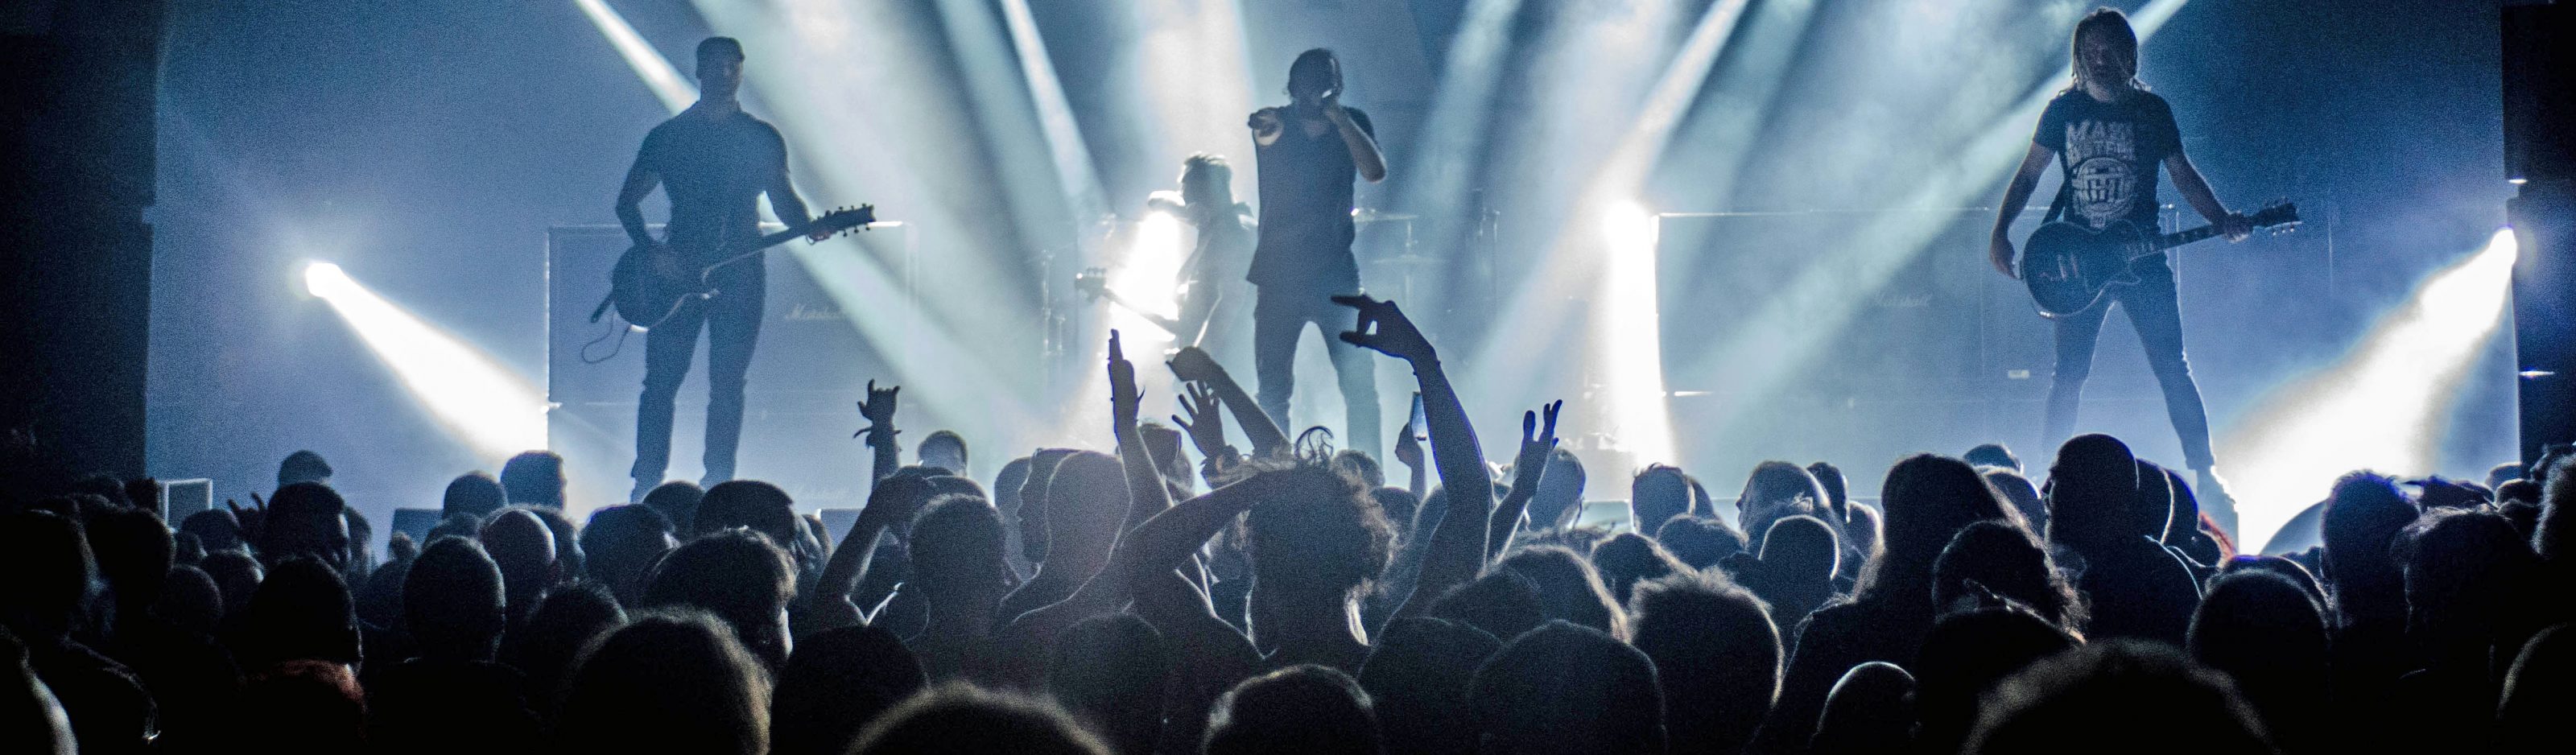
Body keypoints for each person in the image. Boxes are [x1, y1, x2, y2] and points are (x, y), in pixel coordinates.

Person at [1987, 8, 2251, 529]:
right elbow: (2028, 176)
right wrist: (2001, 230)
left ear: (2129, 54)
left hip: (2142, 261)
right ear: (2079, 58)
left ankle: (2205, 472)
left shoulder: (2151, 110)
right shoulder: (2062, 112)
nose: (2100, 60)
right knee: (2069, 375)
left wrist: (2221, 218)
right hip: (2077, 268)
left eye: (2110, 50)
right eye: (2091, 52)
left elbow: (2183, 174)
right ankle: (2048, 475)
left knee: (2172, 365)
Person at [614, 36, 831, 501]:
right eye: (715, 66)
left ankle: (717, 486)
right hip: (677, 273)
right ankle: (647, 484)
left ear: (741, 71)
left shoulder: (759, 137)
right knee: (662, 382)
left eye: (732, 66)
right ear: (699, 70)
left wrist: (811, 225)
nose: (724, 74)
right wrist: (654, 252)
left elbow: (784, 198)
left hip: (741, 273)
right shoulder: (670, 136)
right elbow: (627, 202)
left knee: (727, 383)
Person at [1246, 48, 1389, 459]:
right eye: (1307, 80)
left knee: (1359, 385)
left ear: (1336, 84)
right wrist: (1265, 124)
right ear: (1293, 86)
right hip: (1279, 276)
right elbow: (1264, 132)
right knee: (1273, 389)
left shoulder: (1353, 123)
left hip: (1336, 275)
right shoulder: (1275, 120)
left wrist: (1339, 117)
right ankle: (1275, 479)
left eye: (1324, 79)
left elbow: (1375, 171)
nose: (1315, 89)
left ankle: (1368, 472)